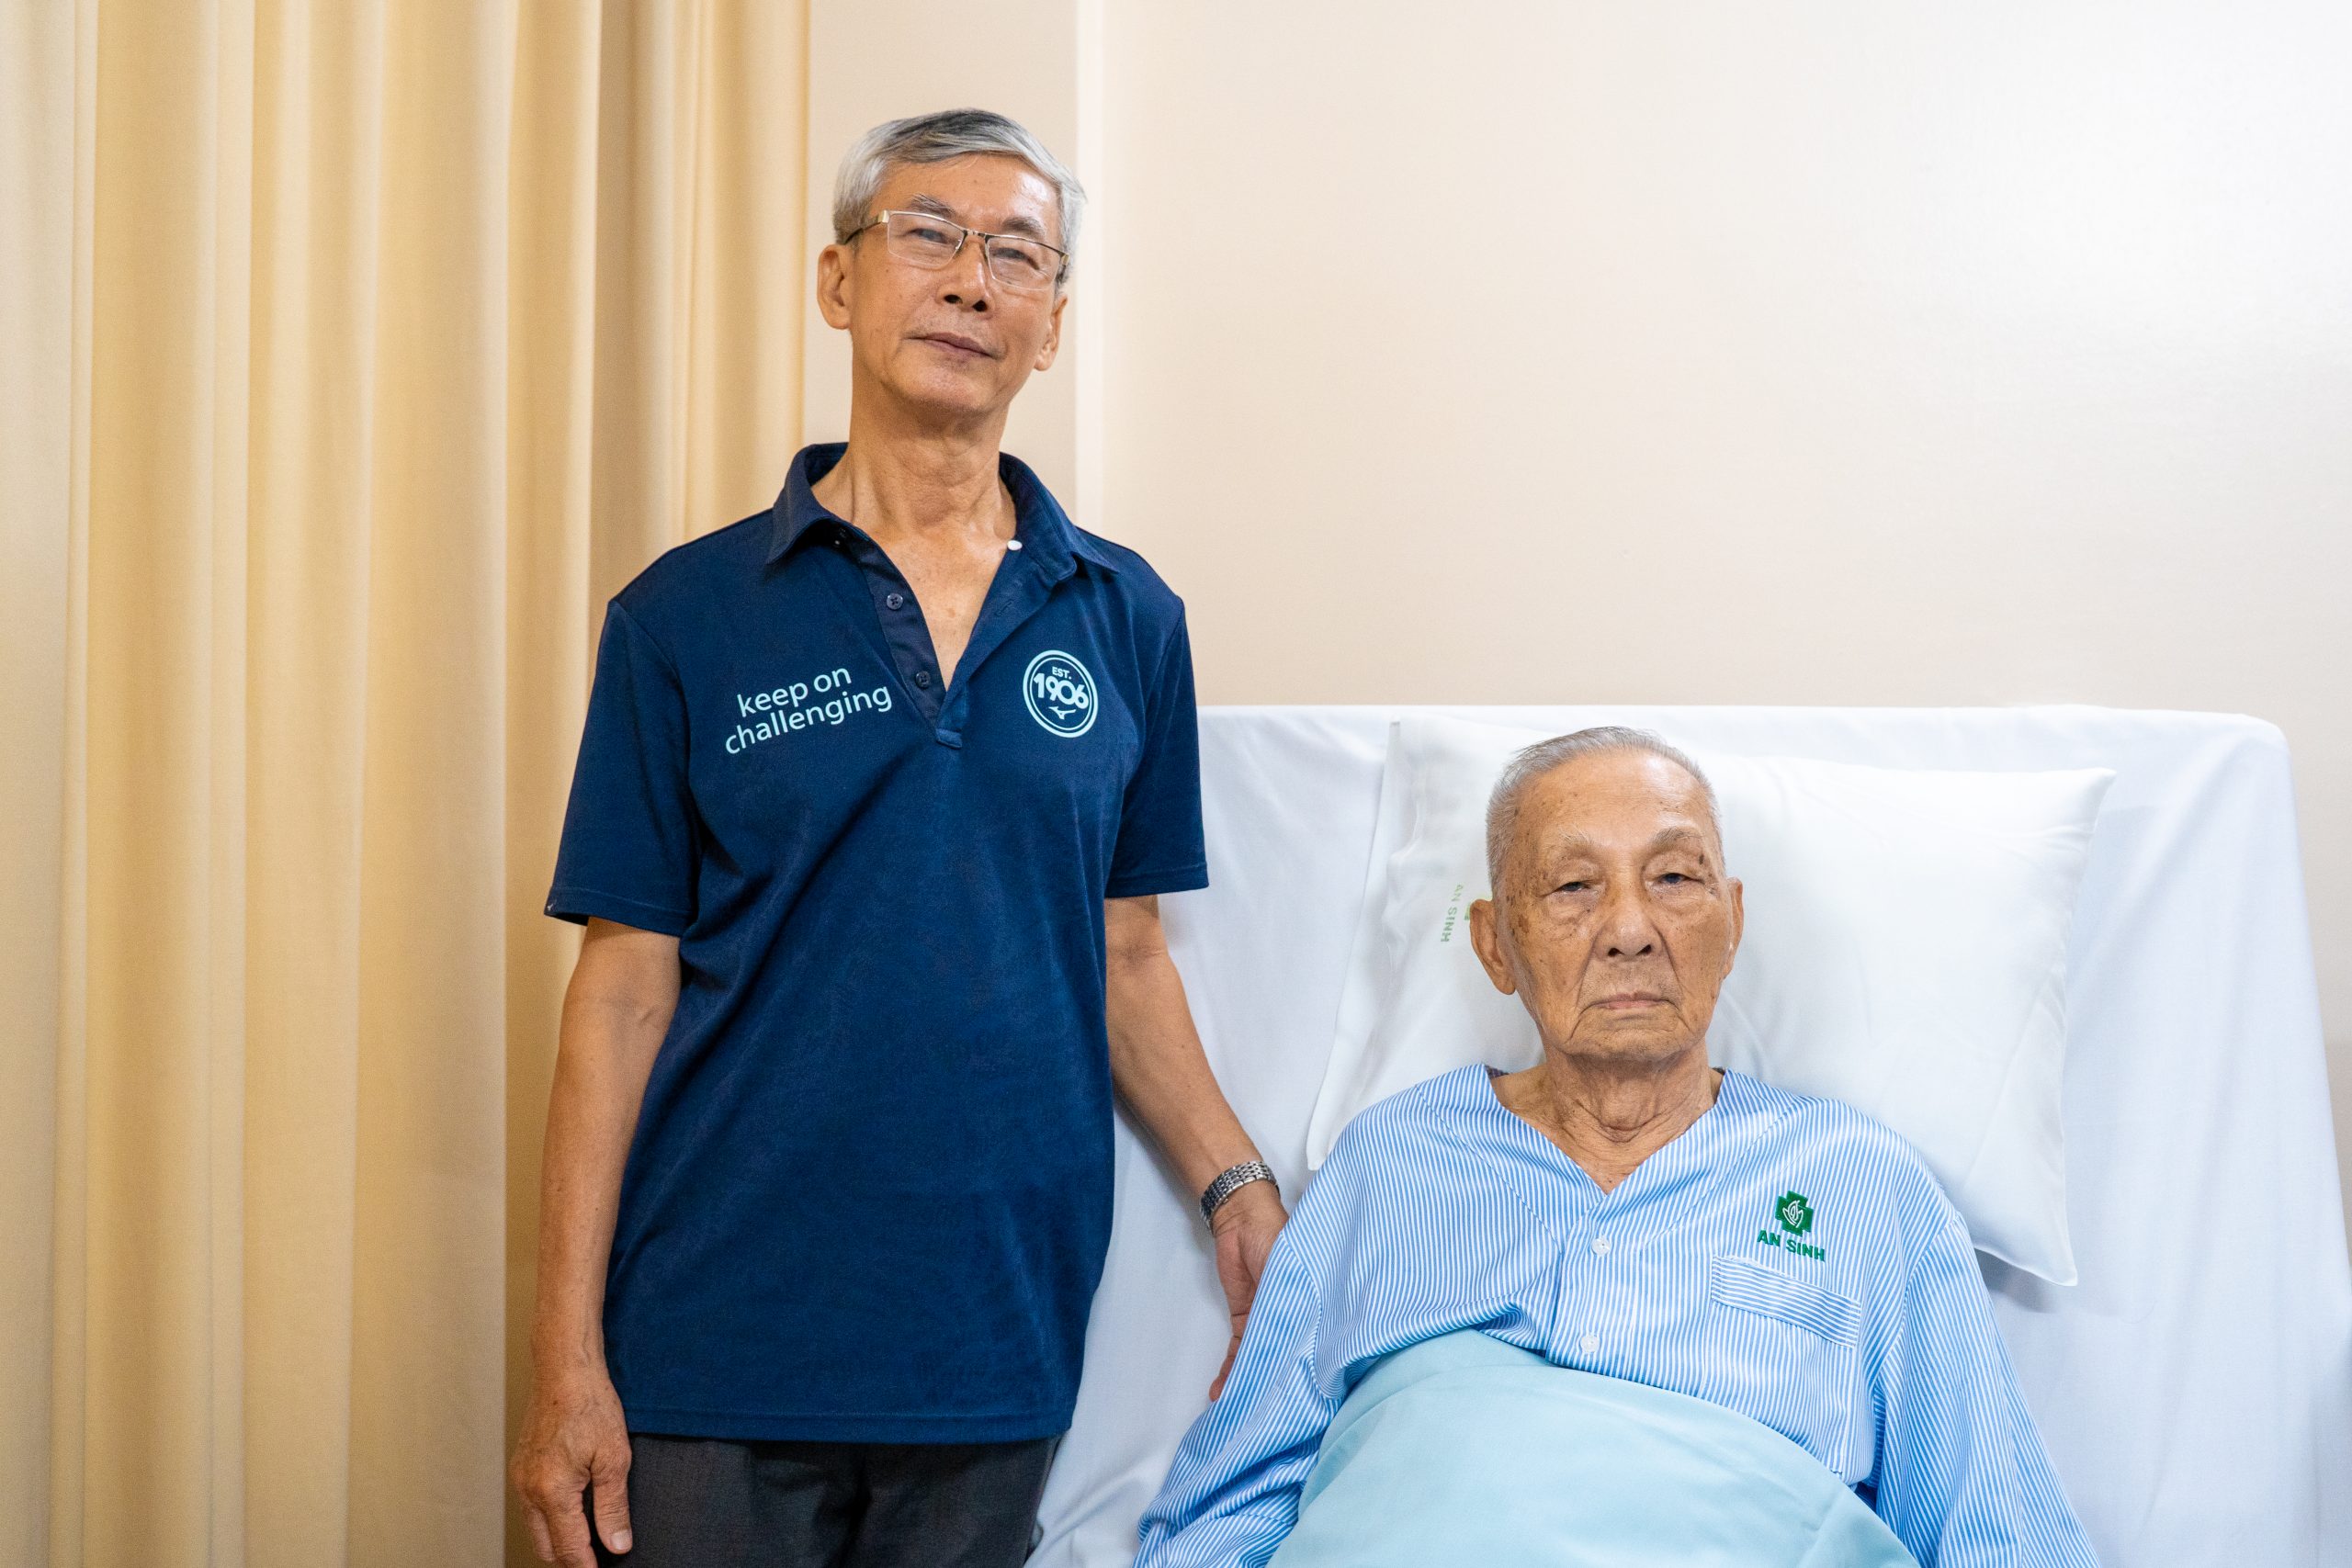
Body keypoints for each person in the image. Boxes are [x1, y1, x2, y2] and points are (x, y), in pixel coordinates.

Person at [510, 108, 1287, 1568]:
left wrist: (1237, 1185)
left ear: (1051, 325)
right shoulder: (682, 617)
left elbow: (1125, 958)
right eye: (928, 233)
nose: (971, 280)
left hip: (993, 1341)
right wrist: (564, 1360)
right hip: (711, 1341)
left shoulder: (1129, 616)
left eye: (1017, 255)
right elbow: (619, 991)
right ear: (839, 281)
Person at [1136, 728, 2098, 1566]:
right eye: (1572, 886)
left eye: (1673, 878)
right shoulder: (1390, 1162)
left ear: (1732, 921)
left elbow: (2000, 1532)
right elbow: (1229, 1505)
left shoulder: (1862, 1185)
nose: (1629, 930)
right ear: (1495, 946)